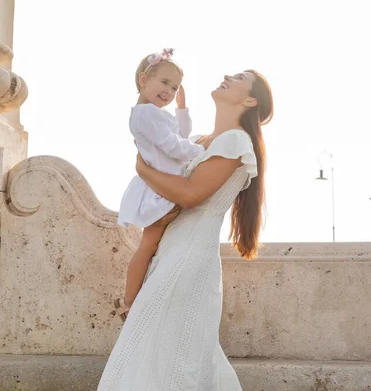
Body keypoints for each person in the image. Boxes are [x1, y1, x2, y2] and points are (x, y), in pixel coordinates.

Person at [99, 69, 274, 390]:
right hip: (169, 253)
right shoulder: (197, 142)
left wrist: (141, 168)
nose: (227, 75)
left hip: (190, 258)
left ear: (250, 100)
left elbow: (190, 194)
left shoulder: (235, 140)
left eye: (238, 77)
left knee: (175, 355)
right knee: (161, 351)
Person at [115, 49, 205, 320]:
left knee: (155, 247)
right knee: (148, 245)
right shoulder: (144, 115)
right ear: (144, 79)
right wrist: (202, 153)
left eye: (174, 86)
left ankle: (139, 299)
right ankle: (130, 303)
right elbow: (174, 146)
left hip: (166, 183)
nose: (170, 90)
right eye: (164, 82)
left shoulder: (155, 113)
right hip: (159, 189)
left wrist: (181, 108)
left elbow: (181, 135)